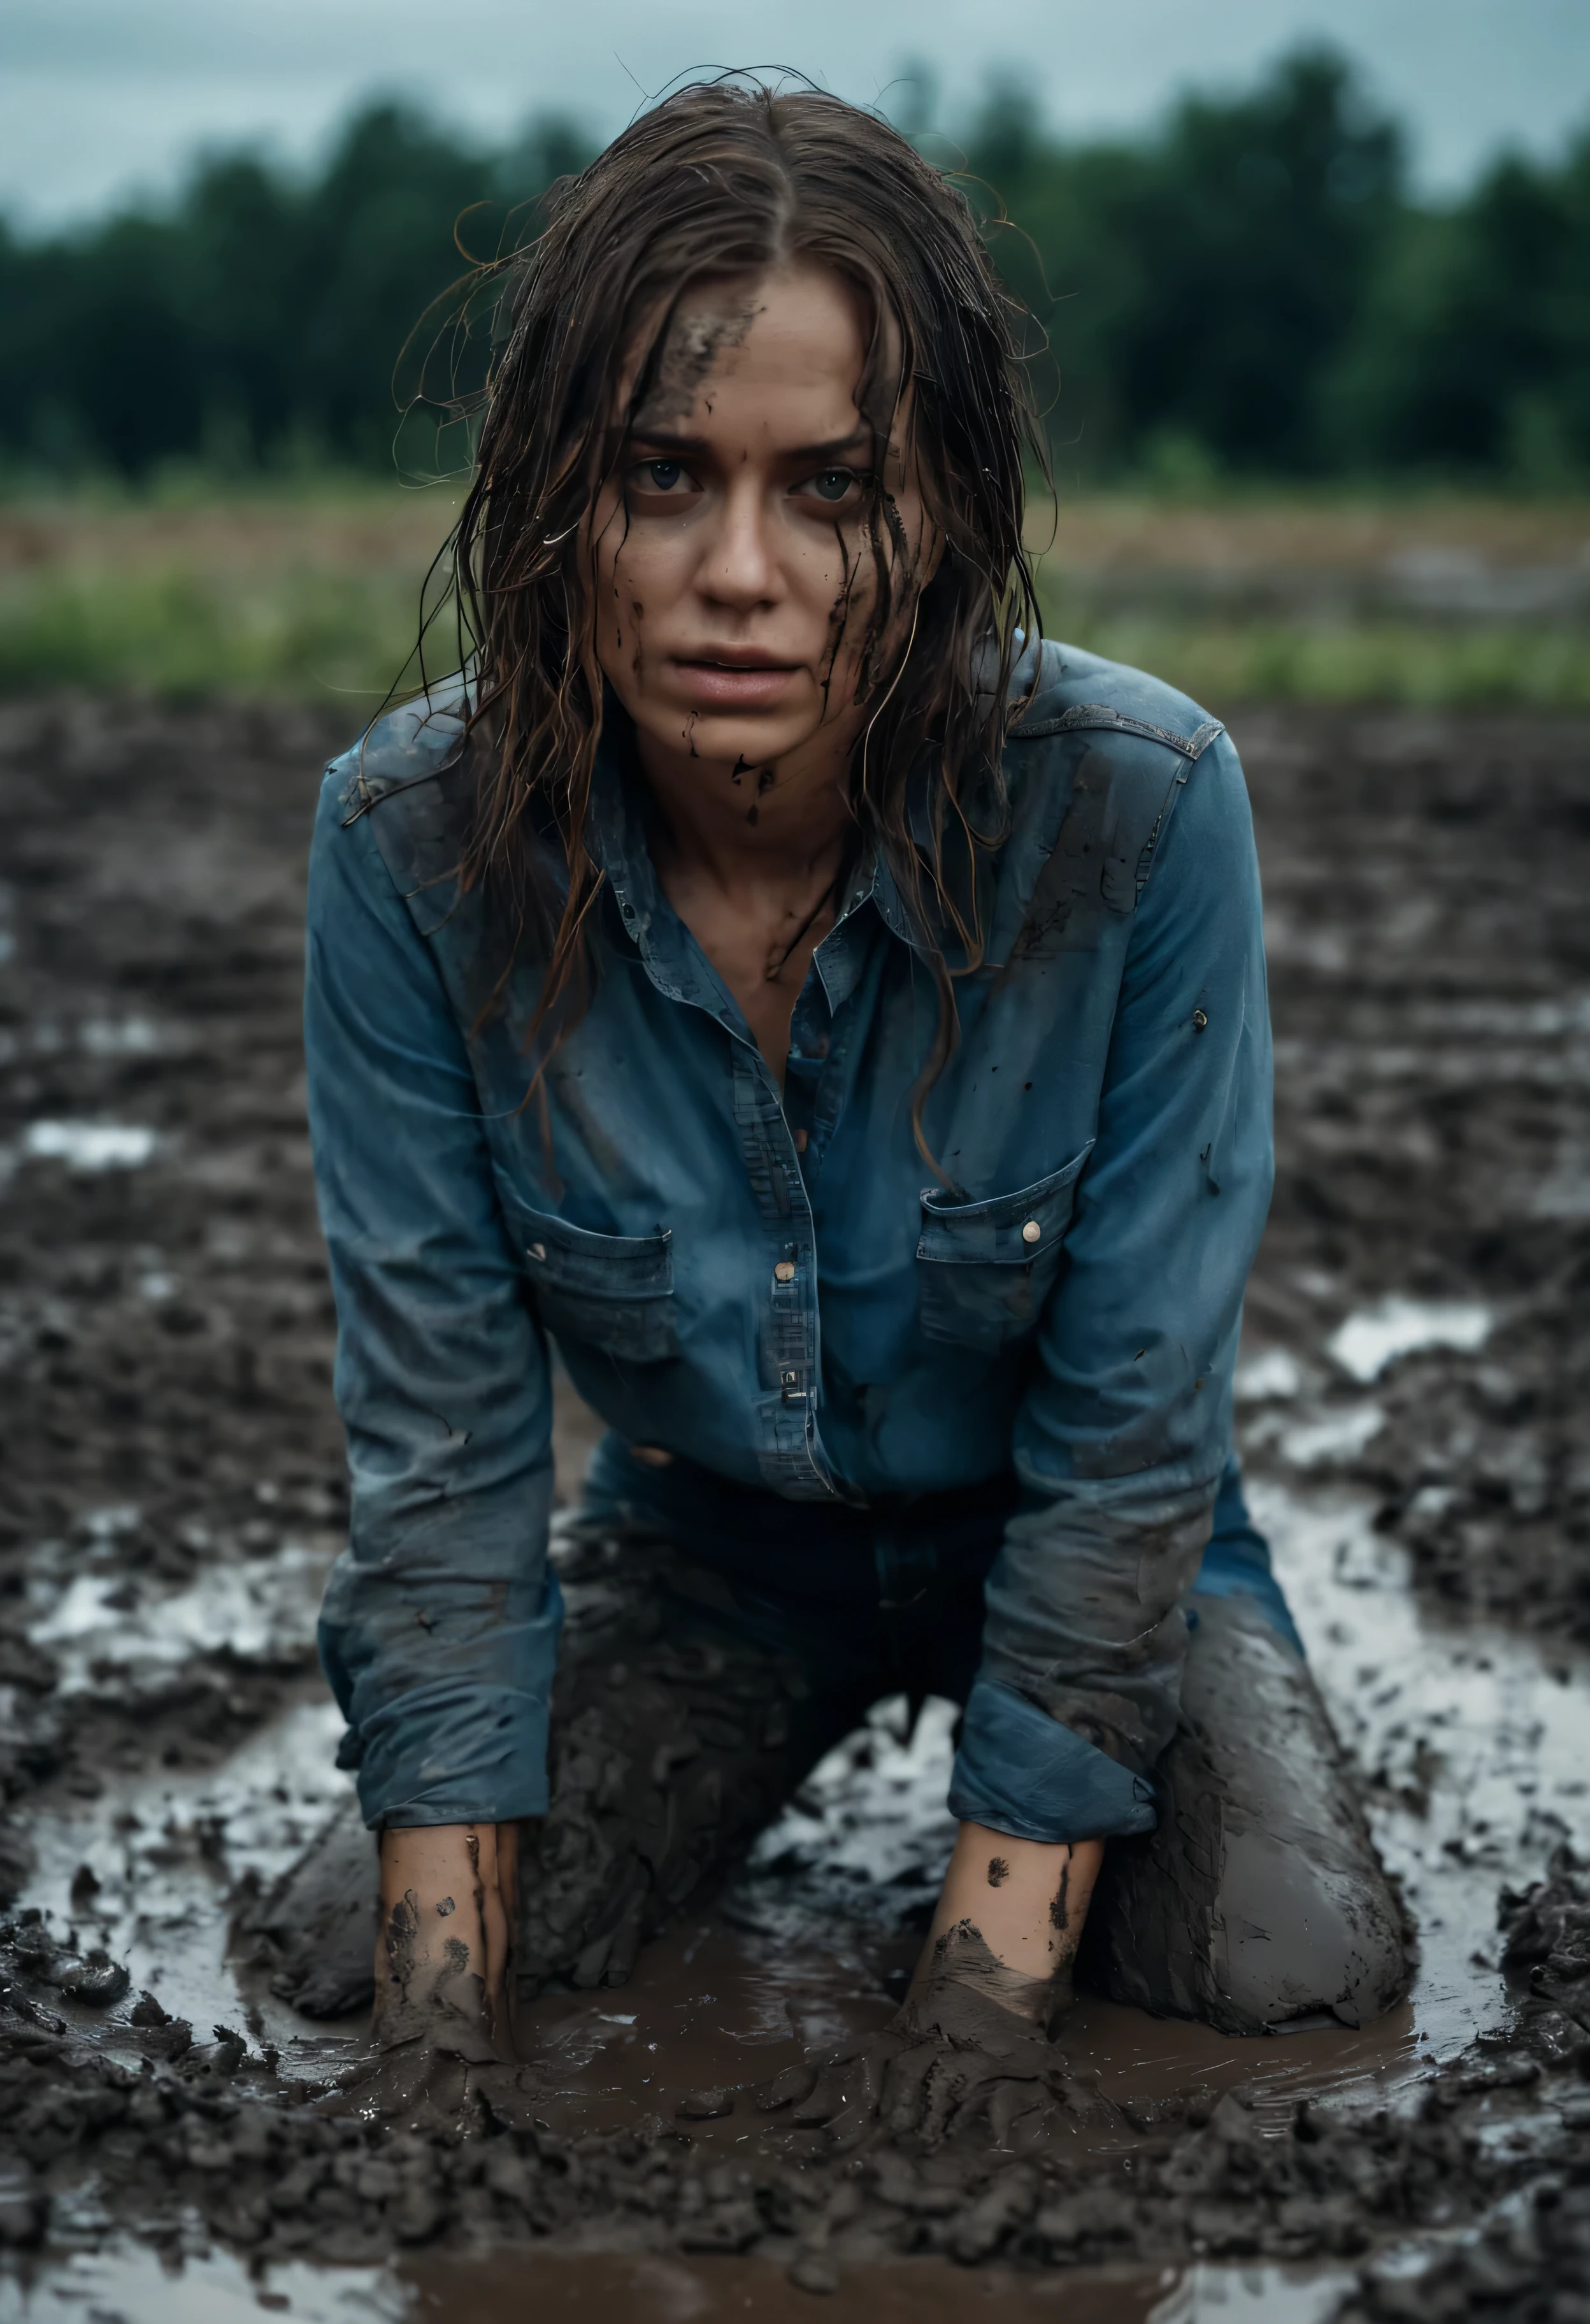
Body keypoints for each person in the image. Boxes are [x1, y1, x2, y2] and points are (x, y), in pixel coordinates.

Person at [301, 80, 1407, 2109]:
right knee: (338, 1966)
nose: (741, 569)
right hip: (708, 1545)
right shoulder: (414, 852)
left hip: (1060, 1534)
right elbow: (441, 1477)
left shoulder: (1141, 818)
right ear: (559, 496)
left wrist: (972, 2015)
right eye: (660, 475)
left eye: (832, 488)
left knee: (1282, 1969)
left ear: (953, 514)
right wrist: (434, 2067)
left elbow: (1131, 1443)